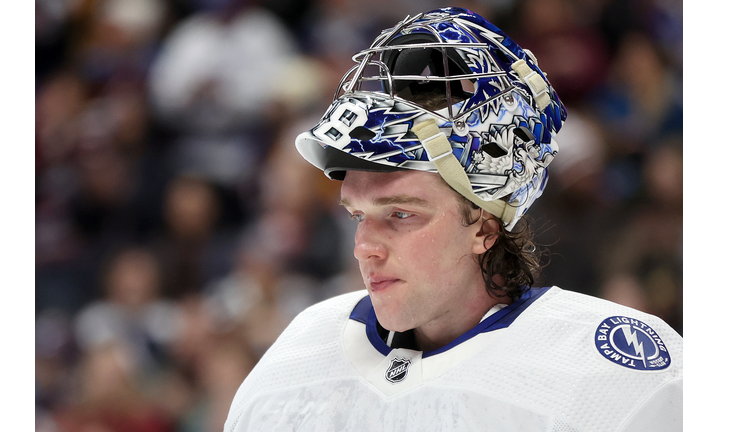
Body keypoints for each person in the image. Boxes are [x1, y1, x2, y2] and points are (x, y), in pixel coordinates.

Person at [223, 7, 682, 431]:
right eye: (357, 215)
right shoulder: (299, 354)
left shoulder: (614, 370)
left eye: (401, 214)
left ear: (484, 227)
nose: (364, 246)